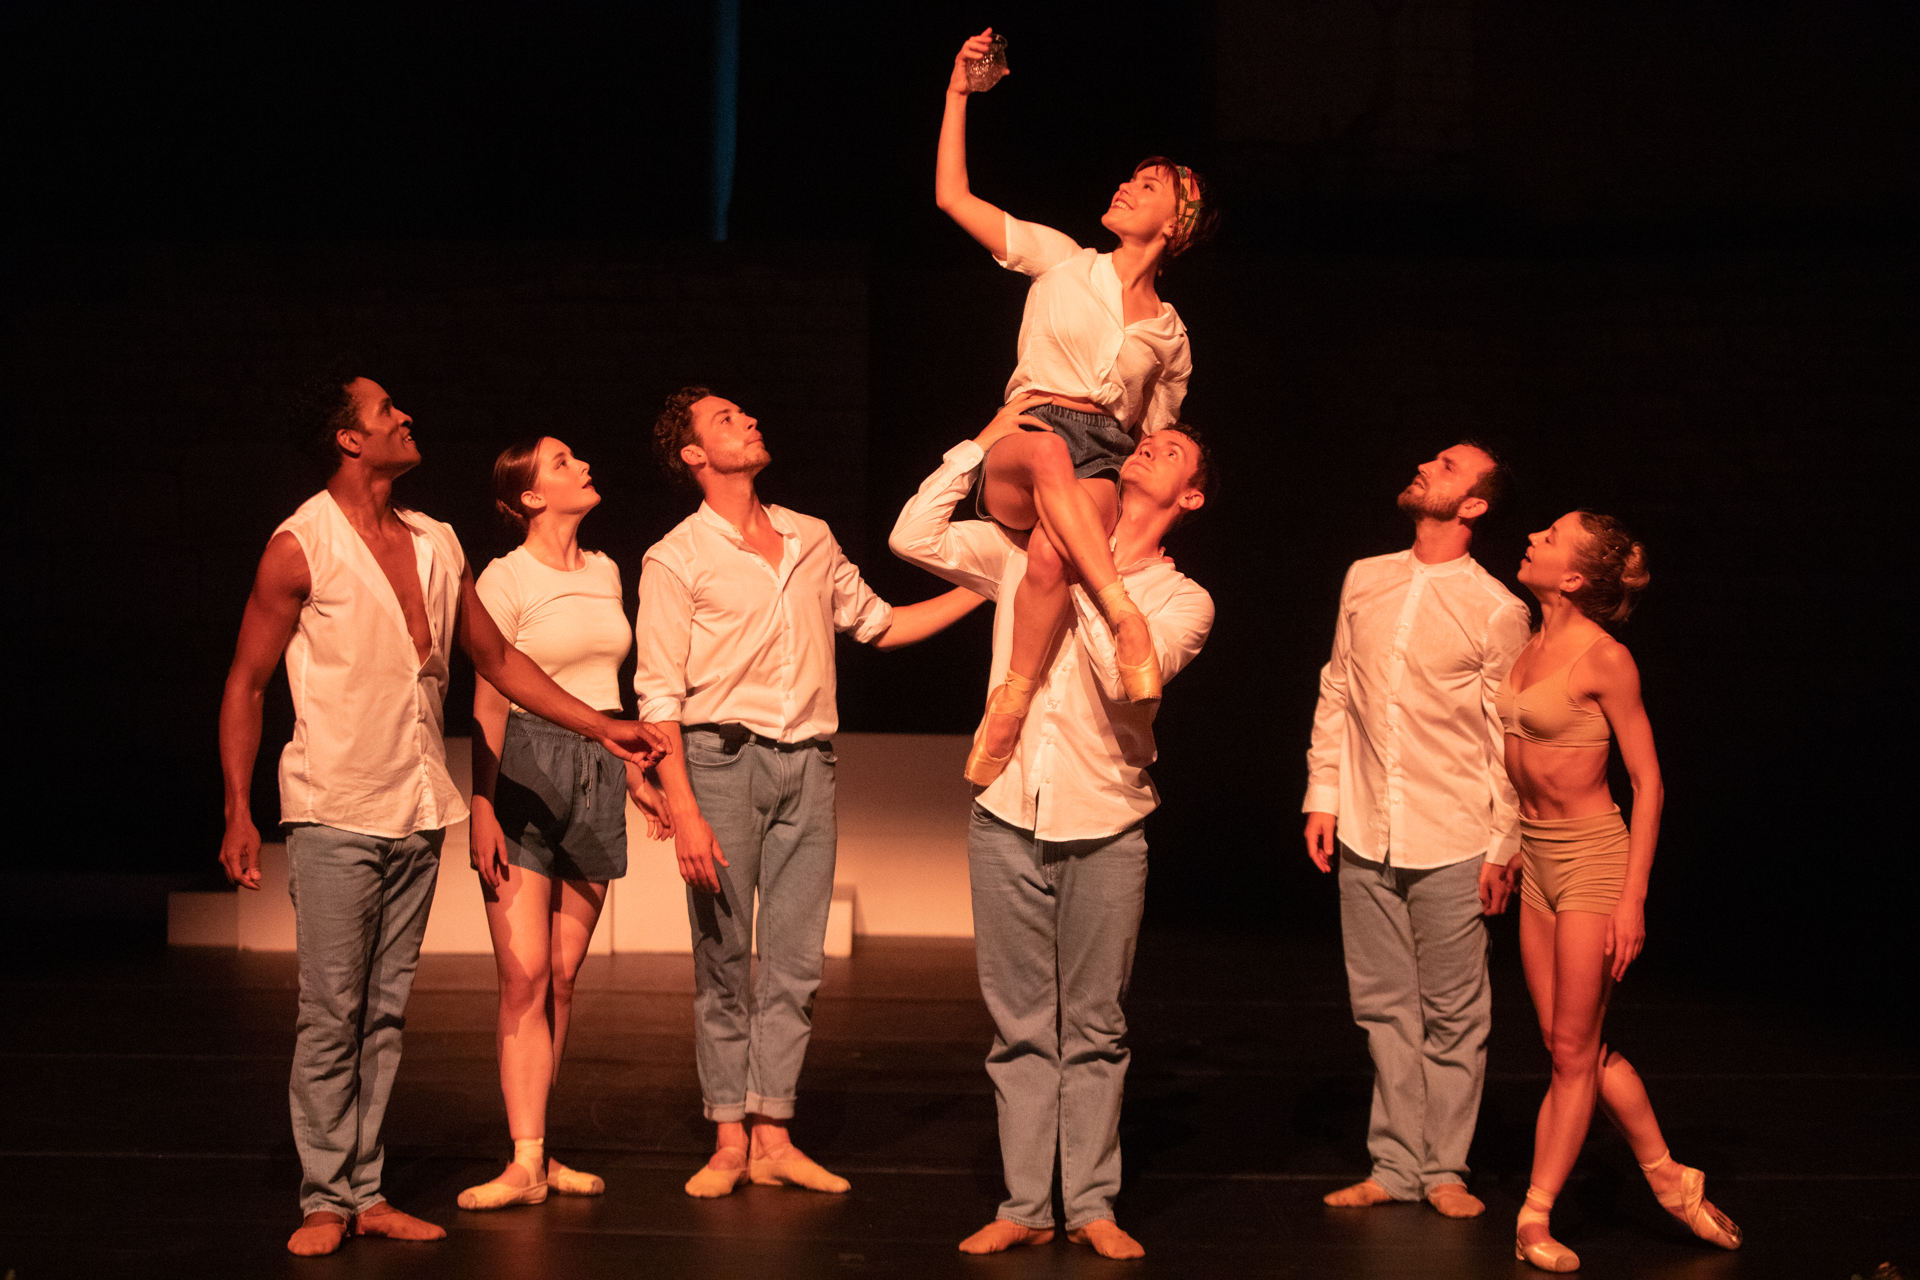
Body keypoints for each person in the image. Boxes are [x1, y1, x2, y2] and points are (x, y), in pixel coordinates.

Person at [217, 372, 666, 1257]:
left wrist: (602, 726)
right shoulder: (299, 547)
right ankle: (323, 1197)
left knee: (384, 1013)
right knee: (330, 1010)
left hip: (418, 806)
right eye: (386, 412)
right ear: (351, 440)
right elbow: (247, 682)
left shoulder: (436, 541)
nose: (405, 417)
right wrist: (238, 808)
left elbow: (497, 659)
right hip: (335, 806)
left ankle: (368, 1190)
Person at [634, 388, 985, 1200]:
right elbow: (659, 696)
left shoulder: (810, 537)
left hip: (809, 765)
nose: (749, 419)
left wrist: (989, 585)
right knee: (724, 959)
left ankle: (774, 1132)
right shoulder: (677, 556)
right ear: (693, 455)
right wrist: (681, 806)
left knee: (795, 962)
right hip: (719, 766)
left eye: (746, 413)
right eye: (725, 420)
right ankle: (728, 1134)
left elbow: (880, 624)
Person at [889, 401, 1216, 1260]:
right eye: (1146, 439)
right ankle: (1028, 1202)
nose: (1151, 447)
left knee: (1095, 1027)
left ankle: (1094, 1202)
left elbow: (1124, 684)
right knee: (1020, 1026)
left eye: (1173, 448)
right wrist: (989, 437)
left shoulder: (1183, 599)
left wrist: (1080, 567)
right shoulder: (1014, 551)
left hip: (1106, 820)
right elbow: (912, 536)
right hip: (1007, 811)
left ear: (1192, 498)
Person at [936, 27, 1217, 785]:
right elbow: (952, 196)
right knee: (1053, 455)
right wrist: (961, 93)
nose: (1125, 187)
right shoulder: (1062, 261)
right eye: (1129, 178)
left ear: (1175, 224)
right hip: (1028, 435)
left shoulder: (1169, 333)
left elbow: (1155, 440)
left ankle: (1010, 704)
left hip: (1103, 452)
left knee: (1059, 552)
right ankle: (1125, 617)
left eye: (1147, 186)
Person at [1500, 511, 1740, 1271]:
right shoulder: (1530, 642)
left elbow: (1649, 781)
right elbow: (1517, 767)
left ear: (1573, 577)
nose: (1533, 536)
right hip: (1535, 856)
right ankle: (1670, 1177)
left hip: (1593, 862)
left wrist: (1631, 897)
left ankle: (1534, 1218)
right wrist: (1507, 847)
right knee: (1570, 1046)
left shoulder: (1606, 659)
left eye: (1551, 536)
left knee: (1572, 1054)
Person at [1302, 443, 1532, 1221]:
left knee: (1454, 1013)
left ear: (1473, 506)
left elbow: (1512, 736)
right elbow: (1338, 687)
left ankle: (1445, 1169)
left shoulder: (1499, 609)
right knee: (1383, 1007)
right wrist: (1323, 794)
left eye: (1448, 466)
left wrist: (1506, 843)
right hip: (1368, 825)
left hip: (1454, 833)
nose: (1427, 467)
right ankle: (1394, 1164)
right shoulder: (1366, 577)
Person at [455, 436, 670, 1211]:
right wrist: (481, 804)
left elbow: (605, 695)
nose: (582, 465)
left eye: (580, 455)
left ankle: (540, 1153)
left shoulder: (609, 570)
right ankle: (521, 1161)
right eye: (560, 462)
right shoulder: (504, 577)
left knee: (567, 977)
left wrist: (634, 777)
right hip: (522, 768)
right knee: (524, 974)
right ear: (530, 496)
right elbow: (489, 695)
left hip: (594, 768)